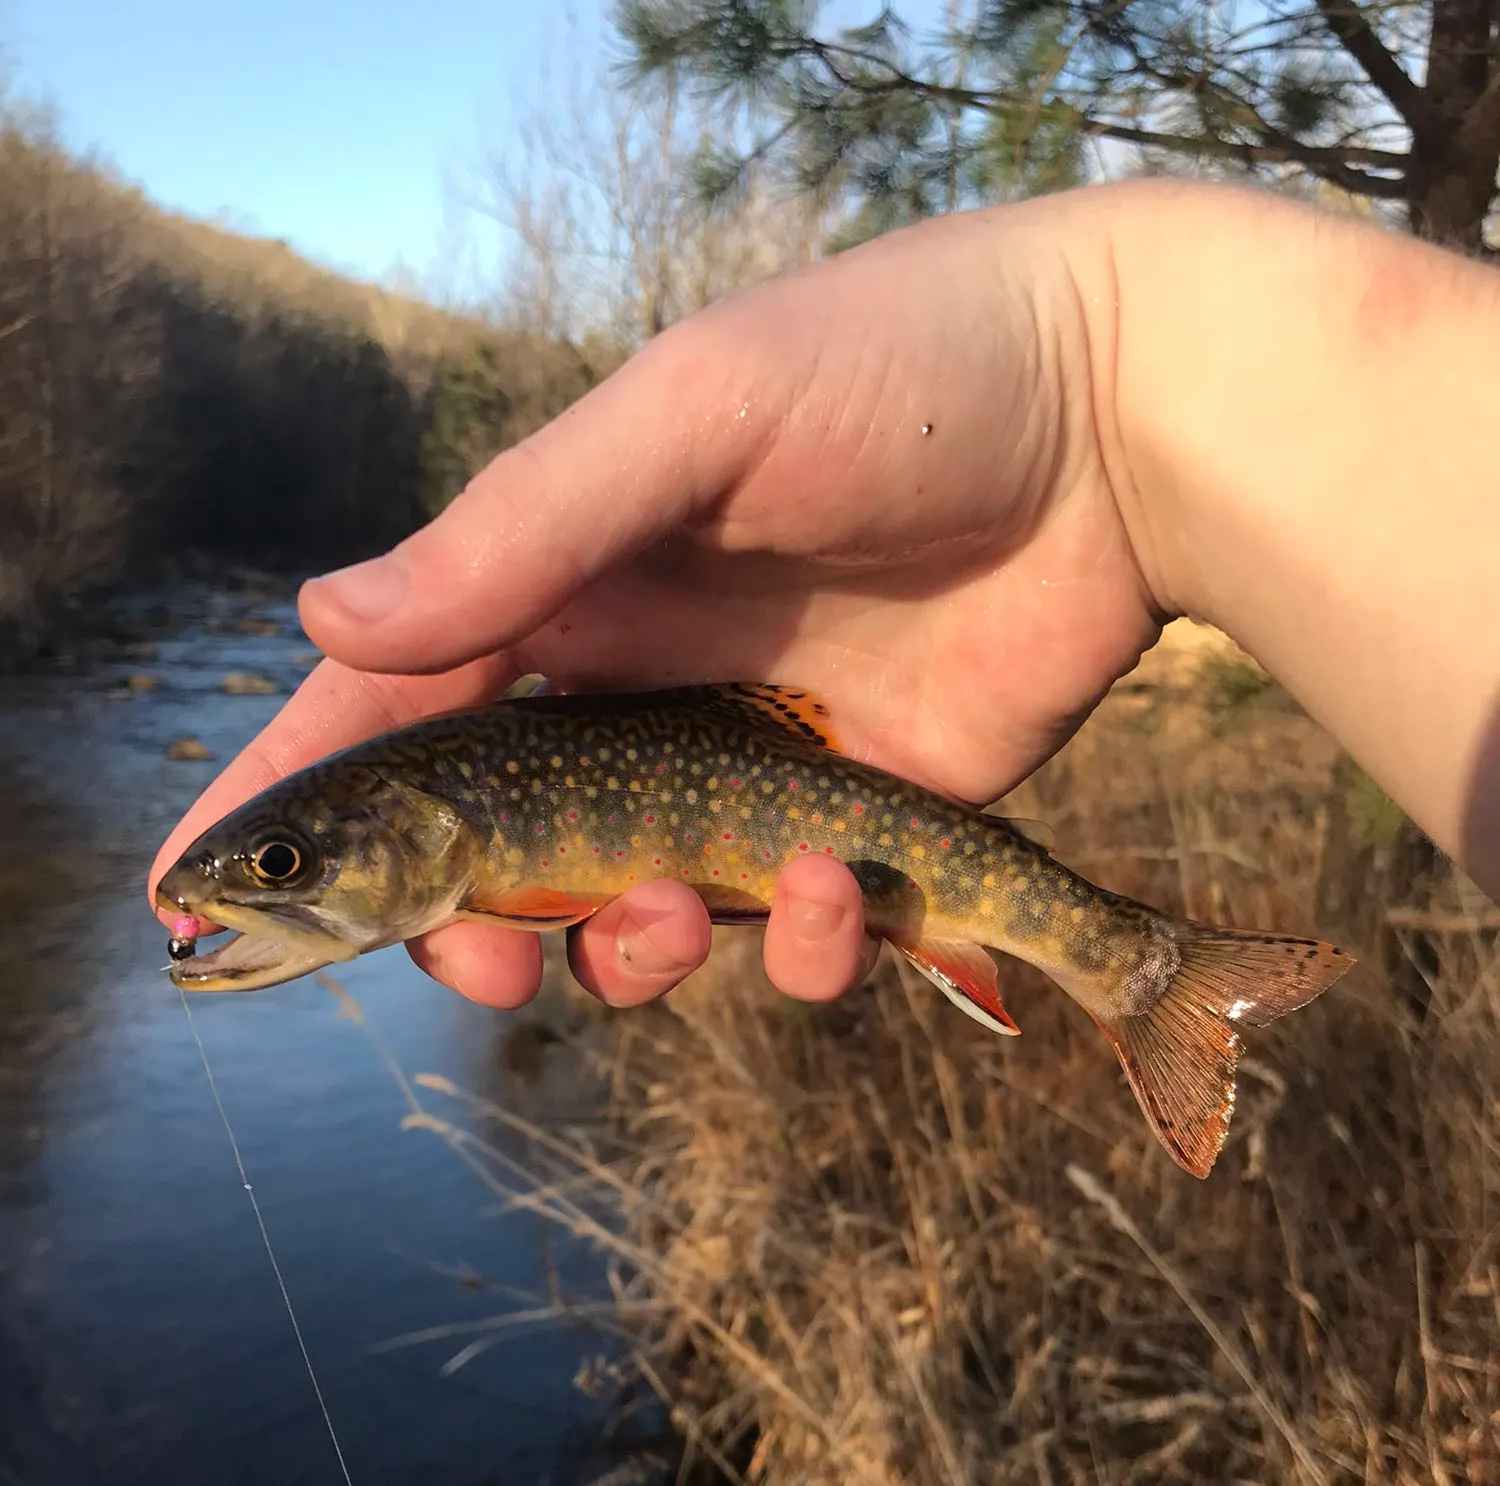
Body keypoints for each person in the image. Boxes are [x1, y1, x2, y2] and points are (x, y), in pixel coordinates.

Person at [146, 176, 1500, 1011]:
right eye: (283, 866)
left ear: (421, 836)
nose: (274, 884)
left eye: (283, 867)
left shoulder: (477, 841)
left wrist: (1094, 378)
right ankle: (1134, 967)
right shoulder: (469, 854)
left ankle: (1144, 970)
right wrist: (1102, 402)